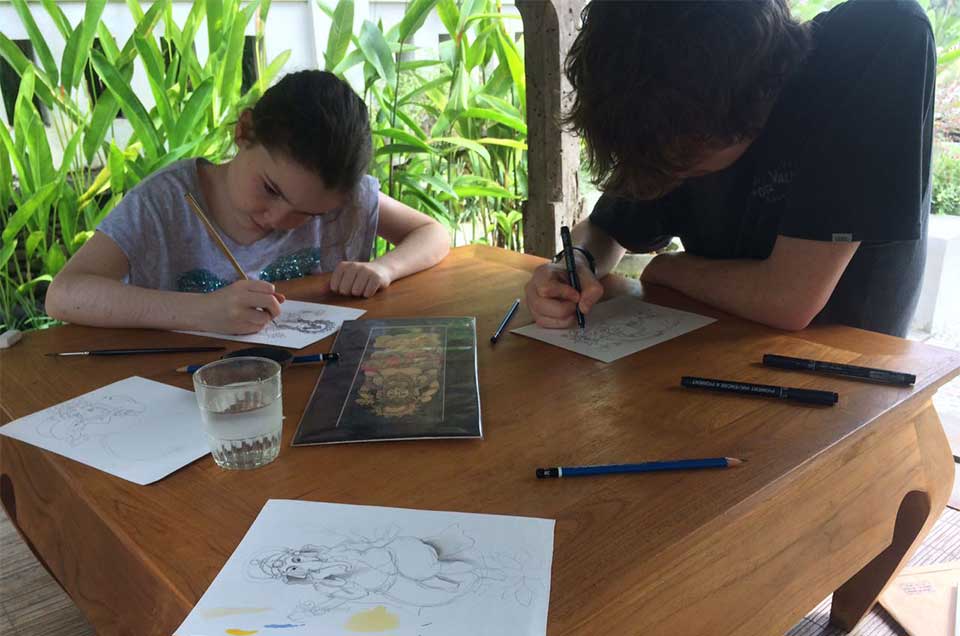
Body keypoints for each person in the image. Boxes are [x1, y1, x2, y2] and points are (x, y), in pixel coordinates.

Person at [524, 0, 934, 337]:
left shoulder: (878, 38)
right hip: (709, 359)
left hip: (847, 374)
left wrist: (669, 268)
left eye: (687, 160)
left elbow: (788, 300)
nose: (675, 172)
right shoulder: (664, 117)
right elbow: (605, 228)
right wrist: (573, 264)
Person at [46, 70, 450, 335]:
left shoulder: (344, 199)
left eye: (309, 214)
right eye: (271, 189)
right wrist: (200, 311)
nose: (278, 218)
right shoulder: (165, 203)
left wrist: (383, 268)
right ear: (244, 131)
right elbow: (64, 294)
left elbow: (433, 233)